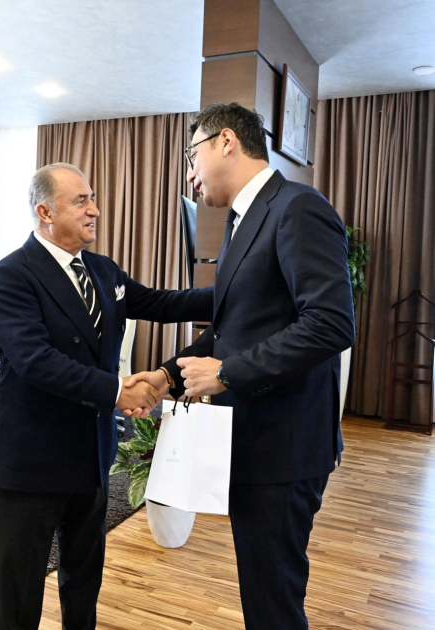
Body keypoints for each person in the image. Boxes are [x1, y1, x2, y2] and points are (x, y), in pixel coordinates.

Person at [126, 103, 356, 629]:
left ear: (226, 141)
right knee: (261, 591)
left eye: (192, 156)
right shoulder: (242, 220)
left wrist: (227, 374)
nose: (190, 174)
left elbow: (331, 324)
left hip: (285, 446)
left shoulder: (297, 207)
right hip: (255, 441)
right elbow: (234, 326)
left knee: (273, 601)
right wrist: (167, 375)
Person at [0, 162, 213, 630]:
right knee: (19, 587)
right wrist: (116, 390)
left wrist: (236, 290)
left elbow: (163, 303)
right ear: (45, 212)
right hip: (32, 460)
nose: (95, 210)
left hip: (91, 453)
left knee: (84, 575)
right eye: (81, 201)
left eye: (92, 198)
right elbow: (35, 361)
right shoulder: (11, 276)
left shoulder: (102, 270)